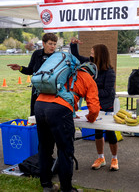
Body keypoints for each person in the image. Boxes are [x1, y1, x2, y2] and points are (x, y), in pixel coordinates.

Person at [34, 62, 100, 192]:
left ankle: (47, 185)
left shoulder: (65, 71)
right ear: (93, 74)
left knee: (44, 148)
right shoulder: (88, 78)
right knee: (65, 151)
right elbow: (94, 108)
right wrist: (90, 119)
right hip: (59, 109)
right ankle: (67, 189)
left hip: (40, 105)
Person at [70, 38, 119, 171]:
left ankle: (114, 159)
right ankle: (101, 158)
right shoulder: (89, 65)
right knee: (97, 132)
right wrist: (73, 45)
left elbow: (108, 92)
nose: (90, 53)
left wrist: (90, 90)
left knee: (110, 133)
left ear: (100, 54)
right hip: (94, 105)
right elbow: (76, 57)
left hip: (107, 106)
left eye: (93, 51)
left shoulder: (109, 72)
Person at [7, 33, 58, 116]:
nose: (53, 46)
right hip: (37, 91)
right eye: (50, 44)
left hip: (50, 91)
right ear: (44, 43)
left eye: (54, 44)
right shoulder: (36, 54)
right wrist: (20, 68)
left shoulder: (57, 57)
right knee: (35, 116)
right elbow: (30, 70)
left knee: (49, 117)